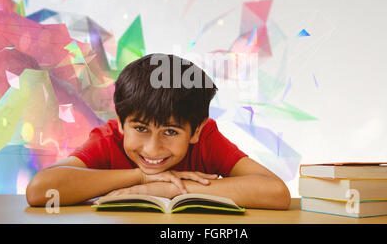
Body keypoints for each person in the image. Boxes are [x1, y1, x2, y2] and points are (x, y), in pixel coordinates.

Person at [26, 54, 290, 209]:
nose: (152, 149)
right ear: (120, 122)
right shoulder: (109, 140)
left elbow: (276, 193)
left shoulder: (206, 138)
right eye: (140, 128)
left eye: (171, 132)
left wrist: (173, 189)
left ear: (196, 130)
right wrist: (141, 178)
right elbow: (40, 191)